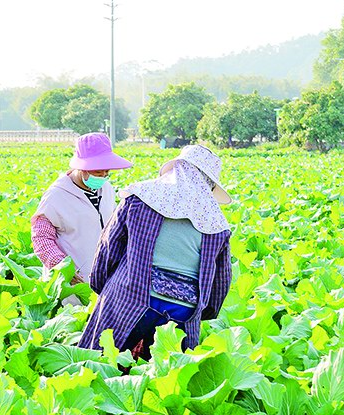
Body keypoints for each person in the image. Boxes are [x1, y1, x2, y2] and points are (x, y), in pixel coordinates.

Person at [77, 144, 233, 359]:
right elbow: (221, 282)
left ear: (175, 170)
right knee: (164, 376)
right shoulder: (217, 224)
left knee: (104, 363)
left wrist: (104, 289)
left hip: (130, 296)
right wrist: (202, 313)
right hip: (183, 309)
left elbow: (108, 248)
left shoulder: (139, 198)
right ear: (209, 184)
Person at [31, 132, 133, 286]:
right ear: (81, 168)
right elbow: (41, 238)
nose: (103, 176)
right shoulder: (56, 195)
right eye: (98, 172)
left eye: (107, 172)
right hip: (69, 283)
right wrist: (61, 266)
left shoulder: (107, 190)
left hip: (101, 279)